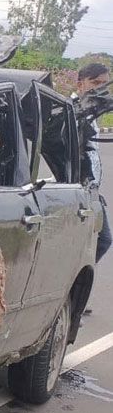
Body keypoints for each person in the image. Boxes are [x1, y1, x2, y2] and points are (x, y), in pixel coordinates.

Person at [75, 62, 111, 266]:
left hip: (91, 189)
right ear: (80, 84)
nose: (100, 89)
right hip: (78, 188)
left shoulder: (92, 112)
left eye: (104, 84)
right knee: (103, 239)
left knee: (98, 240)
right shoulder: (72, 110)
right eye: (95, 83)